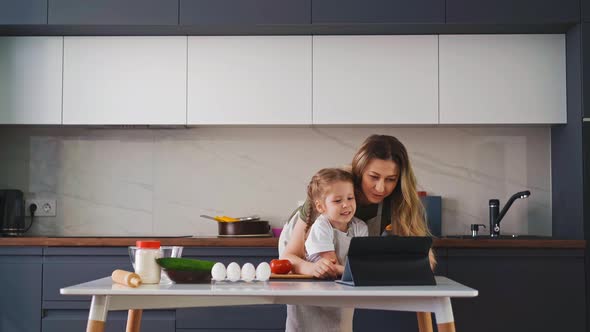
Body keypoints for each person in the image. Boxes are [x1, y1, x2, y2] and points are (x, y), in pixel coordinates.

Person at [279, 134, 435, 279]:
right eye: (373, 177)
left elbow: (424, 262)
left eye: (391, 179)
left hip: (340, 263)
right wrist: (311, 268)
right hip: (300, 251)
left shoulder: (400, 202)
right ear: (360, 170)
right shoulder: (332, 188)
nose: (380, 188)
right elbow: (289, 257)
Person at [285, 168, 368, 332]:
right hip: (313, 293)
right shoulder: (321, 226)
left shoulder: (360, 227)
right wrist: (355, 270)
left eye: (350, 198)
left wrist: (356, 270)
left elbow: (361, 263)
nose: (346, 204)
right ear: (321, 206)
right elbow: (333, 266)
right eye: (337, 201)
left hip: (341, 291)